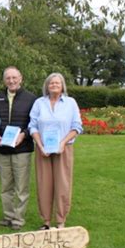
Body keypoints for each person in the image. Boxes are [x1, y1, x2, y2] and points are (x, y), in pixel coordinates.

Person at [28, 73, 83, 230]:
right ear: (47, 86)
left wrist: (62, 143)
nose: (54, 85)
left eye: (57, 83)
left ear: (62, 85)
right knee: (44, 184)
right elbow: (32, 126)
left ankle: (60, 221)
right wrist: (39, 144)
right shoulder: (39, 103)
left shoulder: (70, 103)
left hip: (63, 149)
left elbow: (77, 126)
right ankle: (45, 221)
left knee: (63, 184)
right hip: (43, 149)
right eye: (51, 83)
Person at [0, 67, 37, 231]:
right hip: (3, 150)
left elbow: (34, 122)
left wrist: (24, 135)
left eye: (14, 78)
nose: (11, 81)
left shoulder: (31, 99)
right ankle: (8, 216)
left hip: (22, 149)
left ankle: (18, 219)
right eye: (8, 78)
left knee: (21, 187)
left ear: (21, 78)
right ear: (4, 80)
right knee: (5, 186)